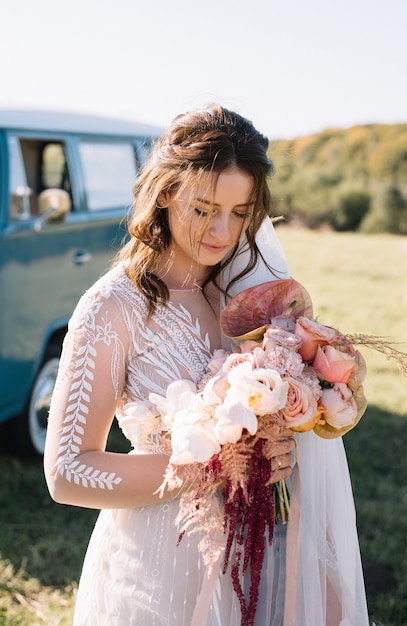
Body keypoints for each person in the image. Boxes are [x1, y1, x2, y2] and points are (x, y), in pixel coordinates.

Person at [44, 104, 369, 626]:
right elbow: (67, 473)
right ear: (166, 192)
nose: (222, 231)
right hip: (160, 563)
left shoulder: (248, 293)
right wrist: (208, 469)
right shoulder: (112, 309)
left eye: (240, 213)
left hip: (265, 551)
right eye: (203, 209)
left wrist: (283, 441)